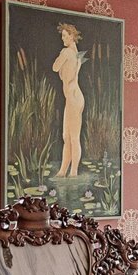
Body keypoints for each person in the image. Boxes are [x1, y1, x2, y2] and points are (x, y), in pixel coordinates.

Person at [53, 22, 86, 178]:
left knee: (73, 137)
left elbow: (55, 67)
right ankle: (63, 170)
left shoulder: (67, 52)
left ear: (72, 36)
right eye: (62, 36)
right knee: (66, 136)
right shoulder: (76, 53)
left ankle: (73, 172)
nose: (63, 39)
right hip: (72, 98)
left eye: (65, 36)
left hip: (74, 98)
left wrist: (61, 55)